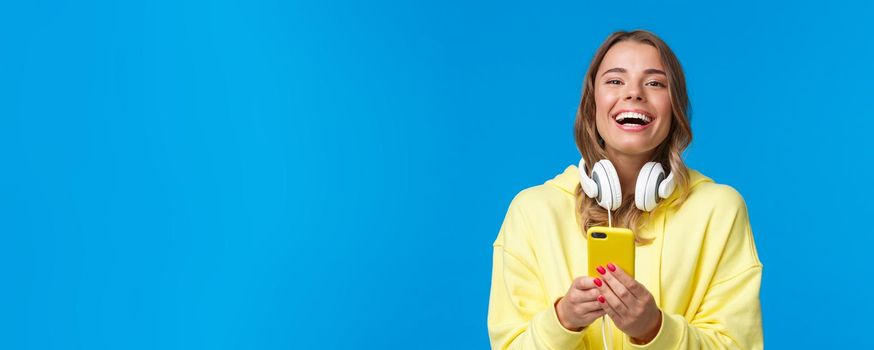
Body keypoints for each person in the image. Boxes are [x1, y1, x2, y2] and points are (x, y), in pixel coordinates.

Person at [487, 30, 763, 349]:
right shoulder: (532, 211)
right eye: (615, 81)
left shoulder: (720, 209)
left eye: (655, 83)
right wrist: (562, 320)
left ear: (675, 107)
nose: (633, 93)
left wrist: (654, 329)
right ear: (592, 104)